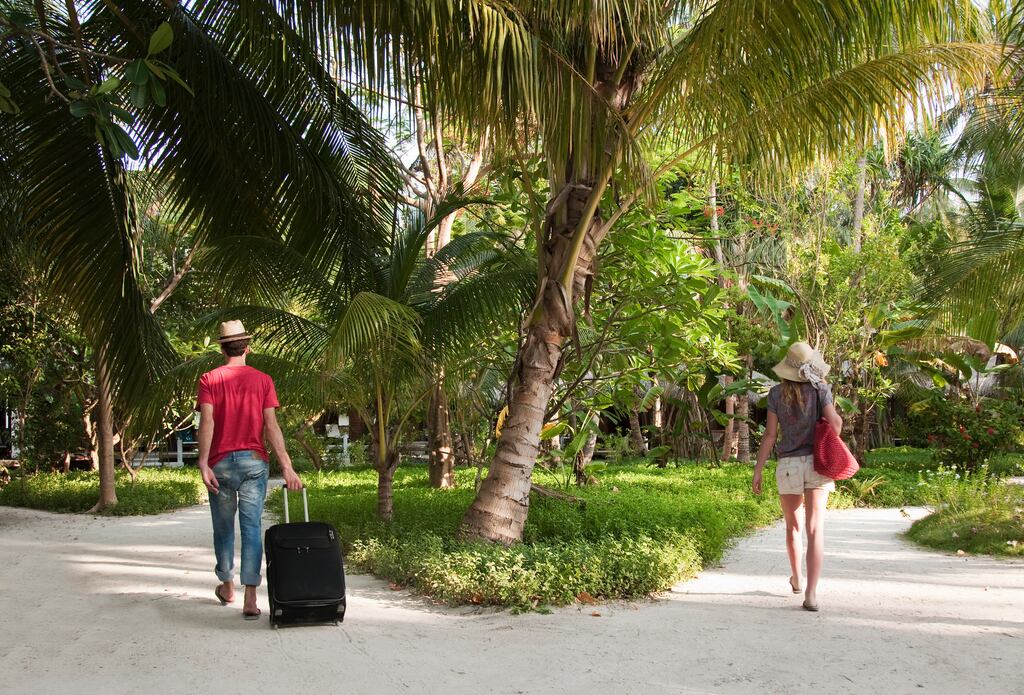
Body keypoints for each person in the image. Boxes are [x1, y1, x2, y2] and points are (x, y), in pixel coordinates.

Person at [196, 320, 303, 620]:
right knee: (252, 528)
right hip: (255, 463)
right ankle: (251, 598)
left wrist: (203, 462)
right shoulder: (262, 380)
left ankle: (227, 586)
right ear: (248, 347)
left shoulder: (209, 379)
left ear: (221, 348)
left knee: (223, 527)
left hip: (220, 464)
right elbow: (271, 426)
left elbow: (208, 422)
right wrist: (288, 467)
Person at [752, 341, 842, 612]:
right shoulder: (820, 389)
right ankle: (812, 595)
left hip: (788, 464)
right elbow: (835, 425)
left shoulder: (777, 394)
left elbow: (770, 435)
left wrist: (758, 471)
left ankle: (797, 579)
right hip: (817, 463)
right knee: (815, 529)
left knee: (793, 528)